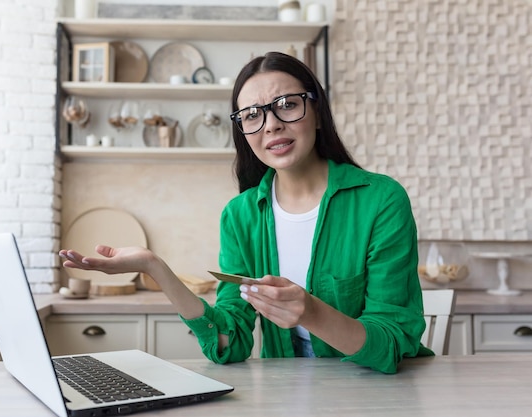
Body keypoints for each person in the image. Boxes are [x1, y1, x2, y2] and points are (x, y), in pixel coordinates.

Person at [60, 51, 430, 374]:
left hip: (375, 391)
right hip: (286, 390)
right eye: (252, 115)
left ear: (317, 113)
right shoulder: (240, 215)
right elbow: (229, 341)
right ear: (243, 131)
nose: (270, 124)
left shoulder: (381, 200)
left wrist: (310, 312)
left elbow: (392, 343)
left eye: (287, 104)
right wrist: (155, 268)